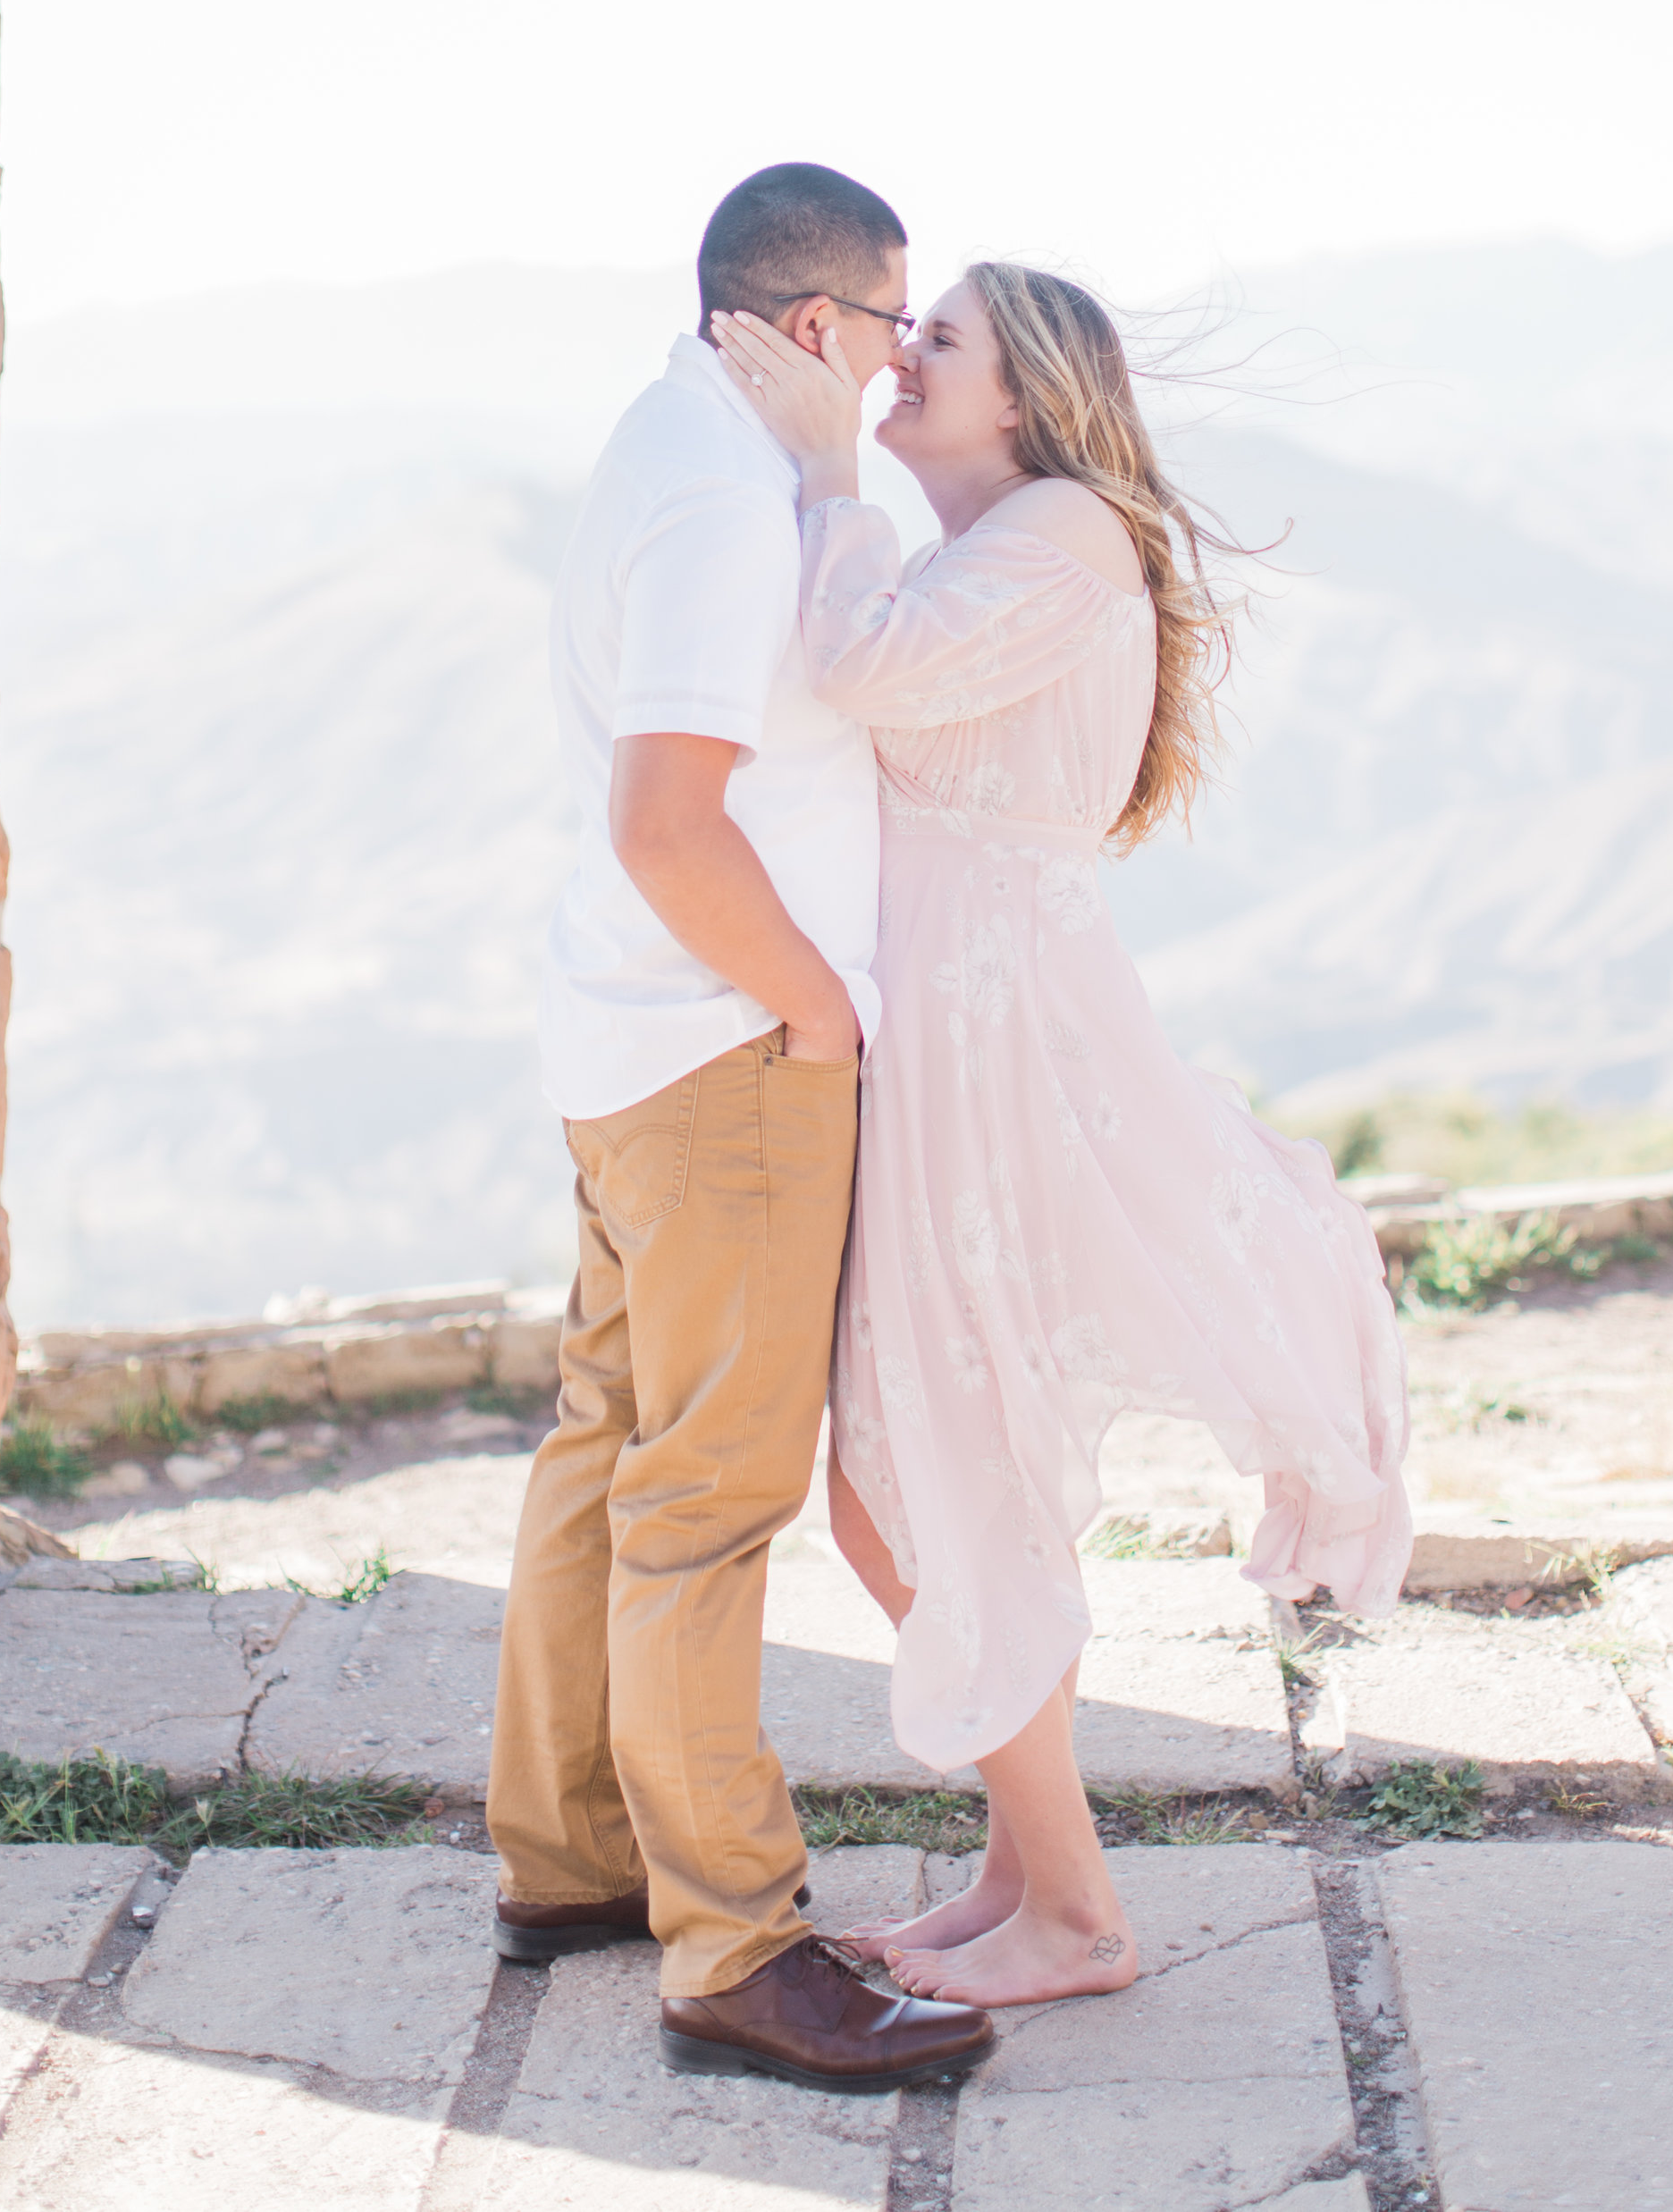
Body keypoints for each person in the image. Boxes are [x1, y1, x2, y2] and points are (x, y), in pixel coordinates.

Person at [710, 263, 1412, 2011]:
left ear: (1017, 391)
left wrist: (816, 475)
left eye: (930, 339)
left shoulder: (1059, 535)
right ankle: (1025, 1880)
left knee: (910, 1481)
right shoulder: (1021, 543)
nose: (891, 361)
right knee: (946, 1470)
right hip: (966, 1022)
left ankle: (1078, 1916)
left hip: (988, 1044)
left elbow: (860, 666)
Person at [485, 164, 995, 2095]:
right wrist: (815, 1007)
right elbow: (666, 816)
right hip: (722, 1061)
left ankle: (570, 1858)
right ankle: (736, 1946)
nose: (886, 373)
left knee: (611, 1446)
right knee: (709, 1497)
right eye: (881, 328)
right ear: (804, 326)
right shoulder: (717, 504)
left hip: (630, 1042)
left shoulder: (679, 441)